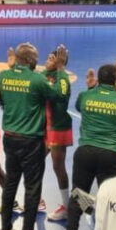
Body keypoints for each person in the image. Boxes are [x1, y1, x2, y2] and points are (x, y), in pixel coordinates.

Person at [57, 65, 116, 230]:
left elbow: (79, 106)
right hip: (110, 155)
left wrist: (90, 88)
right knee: (107, 198)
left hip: (85, 151)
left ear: (99, 79)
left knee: (78, 194)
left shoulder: (86, 96)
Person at [0, 43, 69, 230]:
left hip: (9, 138)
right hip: (31, 141)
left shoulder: (3, 76)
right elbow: (61, 95)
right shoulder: (38, 79)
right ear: (29, 60)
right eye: (35, 58)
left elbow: (2, 101)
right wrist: (61, 69)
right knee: (32, 187)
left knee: (10, 184)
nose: (38, 61)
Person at [43, 51, 73, 221]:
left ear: (60, 62)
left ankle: (66, 206)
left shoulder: (62, 77)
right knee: (35, 163)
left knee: (58, 167)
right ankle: (37, 200)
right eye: (48, 57)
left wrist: (61, 68)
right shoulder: (44, 75)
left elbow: (61, 94)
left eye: (51, 59)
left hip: (58, 126)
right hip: (44, 126)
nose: (47, 61)